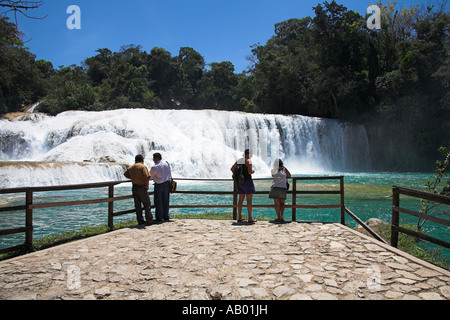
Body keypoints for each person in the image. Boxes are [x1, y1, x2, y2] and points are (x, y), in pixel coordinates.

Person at [124, 154, 153, 226]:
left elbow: (126, 174)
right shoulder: (143, 166)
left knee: (137, 205)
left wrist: (134, 177)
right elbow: (146, 177)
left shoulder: (131, 167)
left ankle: (140, 220)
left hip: (134, 187)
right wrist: (147, 186)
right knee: (147, 204)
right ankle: (149, 220)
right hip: (142, 187)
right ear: (142, 160)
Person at [231, 149, 257, 223]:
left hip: (240, 182)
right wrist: (253, 171)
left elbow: (232, 169)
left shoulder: (239, 160)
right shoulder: (249, 161)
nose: (252, 155)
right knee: (249, 200)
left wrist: (239, 175)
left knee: (240, 200)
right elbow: (249, 172)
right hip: (247, 182)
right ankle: (250, 218)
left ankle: (239, 217)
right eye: (251, 154)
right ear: (248, 154)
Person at [150, 153, 172, 222]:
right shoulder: (166, 164)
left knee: (158, 202)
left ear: (156, 158)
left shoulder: (155, 167)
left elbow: (150, 176)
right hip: (166, 184)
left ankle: (159, 218)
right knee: (166, 201)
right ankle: (166, 216)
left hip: (159, 185)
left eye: (153, 158)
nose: (153, 159)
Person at [269, 159, 291, 223]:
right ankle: (282, 216)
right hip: (282, 188)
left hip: (275, 188)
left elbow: (273, 175)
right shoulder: (284, 169)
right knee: (282, 203)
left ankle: (278, 217)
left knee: (277, 204)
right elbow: (289, 176)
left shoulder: (273, 170)